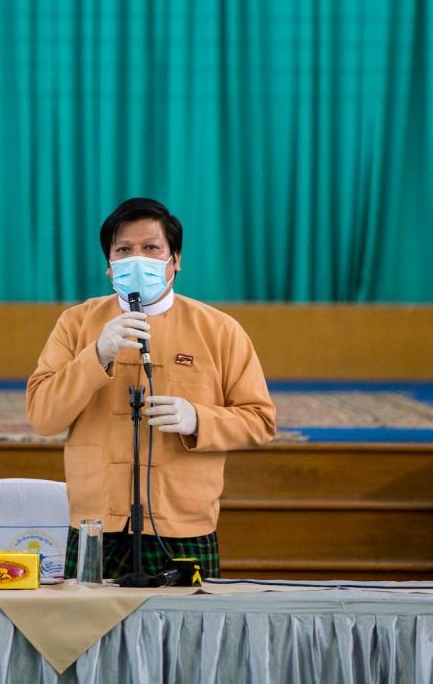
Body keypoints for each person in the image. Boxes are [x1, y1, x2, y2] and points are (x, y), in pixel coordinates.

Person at [26, 197, 276, 579]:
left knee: (186, 637)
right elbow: (43, 416)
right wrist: (96, 355)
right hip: (97, 527)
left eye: (151, 248)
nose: (136, 259)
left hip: (182, 526)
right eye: (123, 250)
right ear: (110, 267)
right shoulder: (75, 324)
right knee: (89, 634)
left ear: (175, 259)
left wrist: (198, 419)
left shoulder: (220, 330)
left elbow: (260, 421)